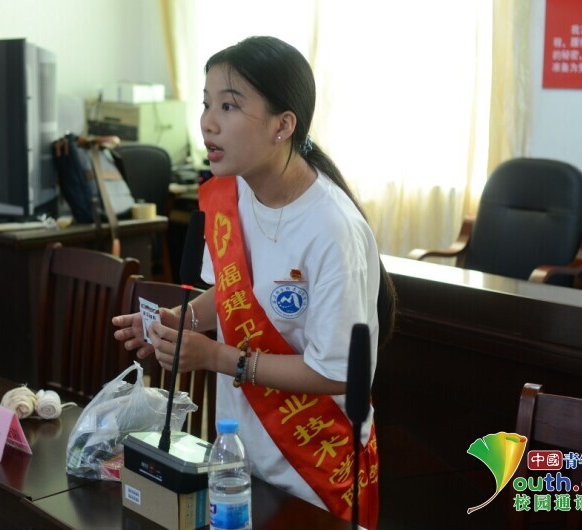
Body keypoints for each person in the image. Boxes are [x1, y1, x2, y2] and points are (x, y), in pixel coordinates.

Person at [112, 35, 396, 529]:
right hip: (239, 456)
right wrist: (180, 321)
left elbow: (338, 373)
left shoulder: (333, 229)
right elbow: (232, 293)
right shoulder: (232, 194)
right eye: (206, 103)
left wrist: (219, 357)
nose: (208, 122)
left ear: (283, 125)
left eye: (229, 105)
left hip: (314, 471)